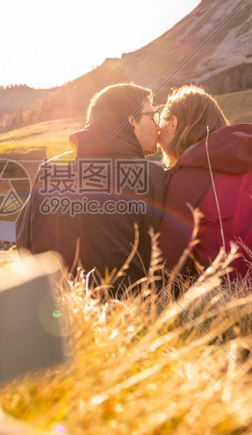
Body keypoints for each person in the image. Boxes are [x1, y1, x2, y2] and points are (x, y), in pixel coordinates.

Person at [156, 84, 252, 293]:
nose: (158, 130)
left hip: (219, 300)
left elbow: (173, 255)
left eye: (162, 120)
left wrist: (155, 299)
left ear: (174, 123)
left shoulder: (187, 179)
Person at [15, 83, 165, 295]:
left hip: (57, 310)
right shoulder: (151, 176)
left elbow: (24, 240)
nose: (158, 127)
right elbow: (160, 259)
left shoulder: (51, 169)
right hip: (125, 316)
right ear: (132, 122)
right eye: (153, 117)